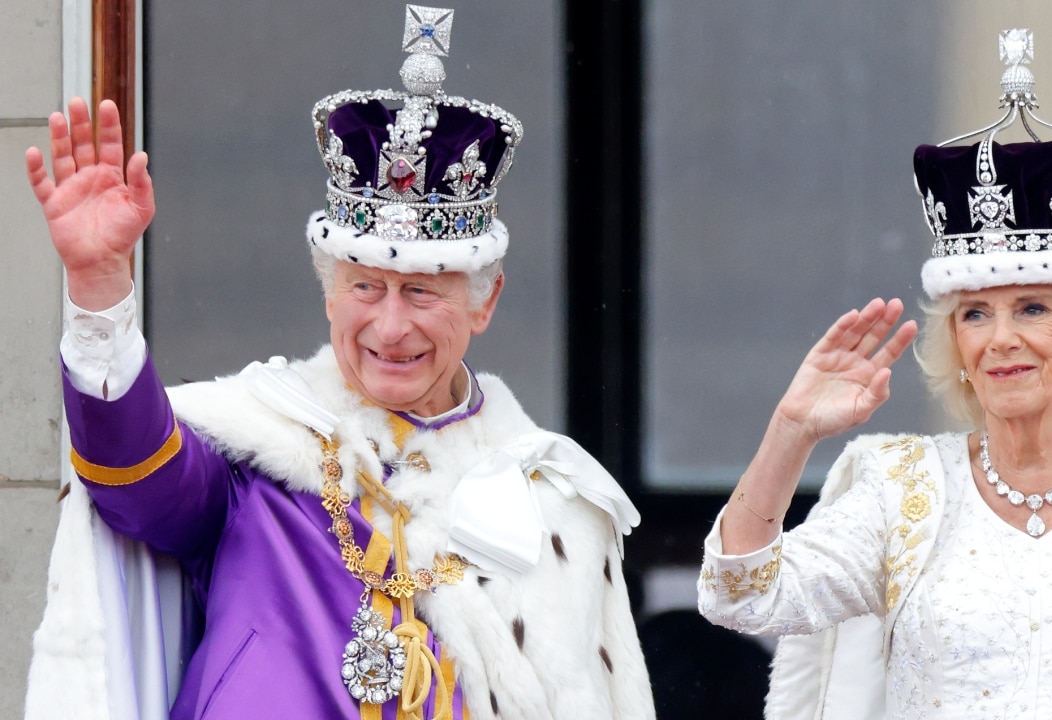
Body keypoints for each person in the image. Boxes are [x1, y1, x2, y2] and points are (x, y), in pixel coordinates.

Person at [24, 6, 655, 720]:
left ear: (485, 301)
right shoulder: (255, 458)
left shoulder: (553, 505)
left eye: (421, 291)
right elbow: (136, 480)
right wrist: (100, 287)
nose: (389, 326)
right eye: (364, 287)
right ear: (329, 293)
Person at [696, 29, 1052, 718]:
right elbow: (741, 596)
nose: (1000, 340)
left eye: (1031, 308)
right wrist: (791, 432)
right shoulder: (900, 487)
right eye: (974, 315)